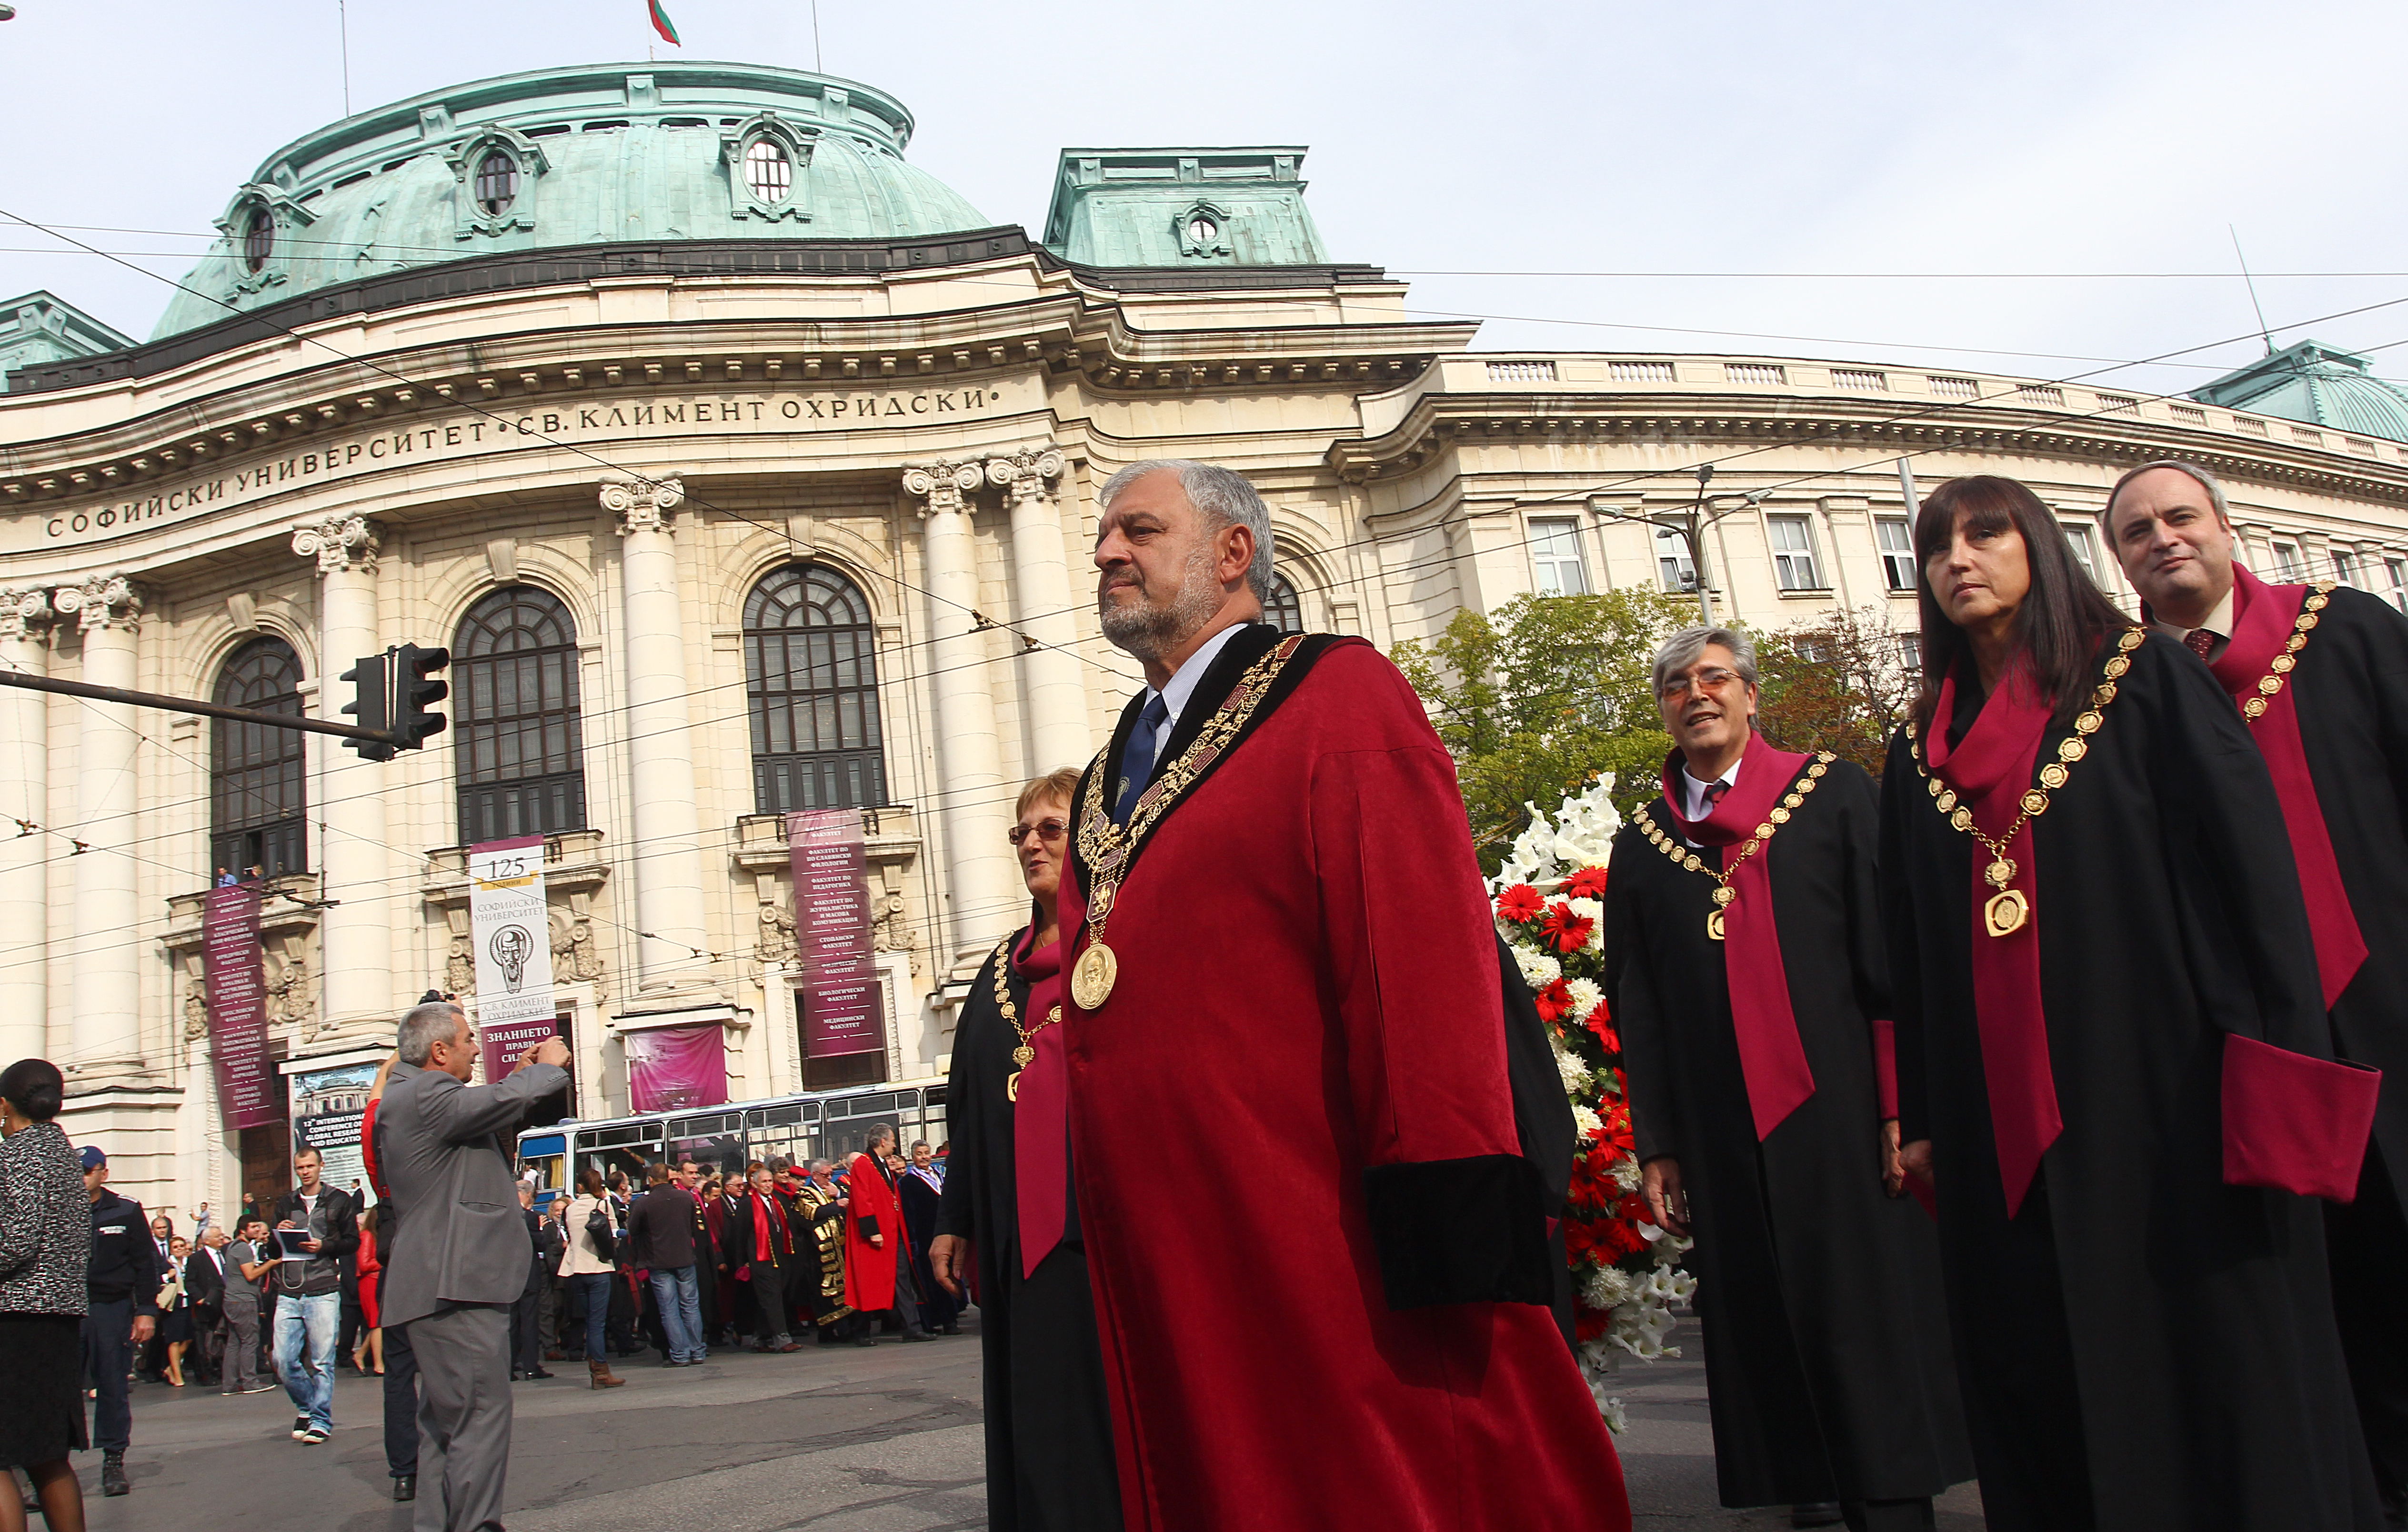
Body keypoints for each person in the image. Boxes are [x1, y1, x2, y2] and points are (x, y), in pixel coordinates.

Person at [1053, 459, 1628, 1530]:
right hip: (1172, 1237)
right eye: (1102, 536)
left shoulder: (1336, 692)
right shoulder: (1106, 772)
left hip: (1319, 1223)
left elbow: (1414, 962)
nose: (1104, 554)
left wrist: (1446, 1205)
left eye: (1137, 529)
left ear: (1233, 554)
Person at [1881, 474, 2380, 1530]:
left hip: (2171, 1088)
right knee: (2039, 1358)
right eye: (1935, 547)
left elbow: (2251, 883)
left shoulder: (2143, 677)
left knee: (2208, 1364)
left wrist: (2275, 1064)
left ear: (2042, 552)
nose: (1956, 560)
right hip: (1996, 1119)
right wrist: (1922, 1119)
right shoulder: (1910, 752)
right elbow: (1913, 953)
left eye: (1984, 535)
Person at [1605, 626, 1972, 1532]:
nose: (1697, 694)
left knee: (1867, 1311)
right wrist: (1660, 1142)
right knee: (1763, 1314)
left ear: (1751, 696)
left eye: (1716, 677)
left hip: (1844, 1113)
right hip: (1720, 1131)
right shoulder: (1643, 841)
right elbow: (1638, 1004)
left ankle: (1893, 1504)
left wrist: (1899, 1103)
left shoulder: (1831, 792)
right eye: (1678, 684)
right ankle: (1805, 1491)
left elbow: (1887, 964)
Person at [2102, 458, 2408, 1525]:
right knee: (2314, 1307)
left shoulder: (2349, 630)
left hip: (2387, 1010)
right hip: (2237, 1050)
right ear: (2116, 559)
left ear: (2227, 529)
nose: (2161, 538)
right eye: (2135, 530)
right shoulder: (2118, 694)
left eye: (2179, 516)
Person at [932, 767, 1124, 1530]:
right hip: (1017, 1241)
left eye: (1050, 827)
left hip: (1105, 1230)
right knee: (1036, 1409)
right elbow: (968, 1105)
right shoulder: (994, 972)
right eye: (1021, 833)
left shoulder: (1121, 940)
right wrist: (956, 1217)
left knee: (1106, 1409)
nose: (1031, 844)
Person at [378, 1000, 572, 1530]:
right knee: (480, 1417)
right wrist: (546, 1070)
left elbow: (479, 1110)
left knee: (447, 1427)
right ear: (439, 1051)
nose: (475, 1048)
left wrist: (515, 1076)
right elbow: (489, 1103)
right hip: (455, 1284)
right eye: (467, 1040)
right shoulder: (421, 1094)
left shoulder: (415, 1097)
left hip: (441, 1283)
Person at [0, 1059, 92, 1532]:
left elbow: (14, 1240)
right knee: (47, 1455)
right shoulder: (64, 1154)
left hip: (14, 1317)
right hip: (59, 1316)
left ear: (4, 1106)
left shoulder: (16, 1155)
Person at [78, 1146, 162, 1498]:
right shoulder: (57, 1211)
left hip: (111, 1308)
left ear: (103, 1173)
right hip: (69, 1308)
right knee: (59, 1389)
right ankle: (50, 1468)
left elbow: (146, 1264)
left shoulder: (125, 1210)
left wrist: (146, 1310)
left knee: (113, 1385)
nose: (79, 1178)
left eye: (86, 1171)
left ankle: (113, 1461)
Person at [269, 1143, 359, 1445]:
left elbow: (352, 1242)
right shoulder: (286, 1203)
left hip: (323, 1287)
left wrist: (324, 1246)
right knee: (282, 1359)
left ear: (321, 1166)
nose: (305, 1172)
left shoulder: (339, 1200)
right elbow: (272, 1251)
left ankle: (320, 1419)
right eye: (300, 1168)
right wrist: (277, 1233)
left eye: (309, 1166)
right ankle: (308, 1405)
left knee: (322, 1360)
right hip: (289, 1289)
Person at [361, 1050, 421, 1503]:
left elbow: (374, 1105)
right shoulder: (432, 1130)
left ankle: (404, 1470)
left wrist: (393, 1062)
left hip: (395, 1264)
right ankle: (450, 1460)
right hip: (434, 1259)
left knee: (399, 1373)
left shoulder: (380, 1141)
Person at [843, 1128, 933, 1345]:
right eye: (893, 1141)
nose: (895, 1145)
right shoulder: (864, 1164)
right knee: (869, 1282)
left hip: (893, 1232)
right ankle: (861, 1332)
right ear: (883, 1142)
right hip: (877, 1234)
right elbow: (862, 1198)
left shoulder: (882, 1164)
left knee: (902, 1280)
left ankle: (912, 1327)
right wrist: (872, 1231)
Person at [626, 1163, 705, 1366]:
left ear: (650, 1180)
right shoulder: (686, 1197)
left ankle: (680, 1354)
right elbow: (693, 1227)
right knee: (691, 1306)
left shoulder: (645, 1202)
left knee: (669, 1309)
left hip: (658, 1260)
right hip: (685, 1258)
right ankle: (697, 1351)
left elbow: (632, 1229)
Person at [558, 1167, 628, 1385]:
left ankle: (595, 1365)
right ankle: (600, 1371)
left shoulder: (570, 1210)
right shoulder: (604, 1205)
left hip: (576, 1270)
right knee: (598, 1323)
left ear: (580, 1186)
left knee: (589, 1320)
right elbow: (614, 1236)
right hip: (599, 1268)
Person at [726, 1162, 804, 1353]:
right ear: (755, 1184)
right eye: (764, 1182)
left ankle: (760, 1338)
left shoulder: (779, 1200)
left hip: (782, 1257)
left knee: (772, 1298)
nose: (768, 1185)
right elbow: (739, 1236)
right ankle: (783, 1339)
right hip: (760, 1260)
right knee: (771, 1297)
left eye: (770, 1181)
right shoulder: (747, 1205)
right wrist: (741, 1262)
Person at [791, 1160, 854, 1344]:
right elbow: (812, 1214)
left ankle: (844, 1328)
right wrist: (837, 1205)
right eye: (825, 1175)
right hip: (817, 1253)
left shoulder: (833, 1190)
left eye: (830, 1175)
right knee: (825, 1292)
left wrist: (839, 1196)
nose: (829, 1179)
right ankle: (827, 1330)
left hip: (839, 1248)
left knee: (843, 1289)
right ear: (815, 1175)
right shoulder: (805, 1194)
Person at [509, 1183, 559, 1381]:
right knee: (529, 1321)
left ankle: (509, 1366)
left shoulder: (505, 1216)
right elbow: (540, 1244)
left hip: (509, 1276)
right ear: (528, 1195)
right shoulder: (530, 1218)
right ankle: (531, 1366)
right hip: (528, 1275)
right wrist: (544, 1228)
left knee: (511, 1322)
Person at [221, 1219, 274, 1397]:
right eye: (253, 1227)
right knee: (250, 1341)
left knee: (235, 1342)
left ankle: (230, 1384)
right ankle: (250, 1381)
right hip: (243, 1300)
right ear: (243, 1230)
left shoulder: (233, 1247)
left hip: (233, 1299)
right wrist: (271, 1264)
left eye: (258, 1226)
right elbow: (250, 1274)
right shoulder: (243, 1248)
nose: (257, 1229)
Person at [185, 1227, 227, 1388]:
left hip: (223, 1303)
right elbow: (190, 1281)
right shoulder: (197, 1259)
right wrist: (200, 1298)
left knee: (221, 1339)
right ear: (207, 1240)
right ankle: (204, 1373)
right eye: (218, 1237)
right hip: (206, 1305)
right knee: (203, 1341)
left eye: (222, 1236)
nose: (221, 1239)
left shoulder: (224, 1255)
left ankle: (220, 1368)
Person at [155, 1238, 193, 1388]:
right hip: (173, 1305)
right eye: (175, 1247)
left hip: (187, 1304)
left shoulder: (189, 1263)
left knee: (189, 1339)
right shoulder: (166, 1264)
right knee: (174, 1340)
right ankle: (177, 1376)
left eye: (181, 1246)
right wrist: (168, 1276)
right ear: (171, 1250)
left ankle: (170, 1367)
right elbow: (156, 1280)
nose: (179, 1249)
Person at [352, 1206, 384, 1375]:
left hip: (373, 1281)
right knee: (377, 1323)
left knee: (377, 1323)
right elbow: (364, 1264)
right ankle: (378, 1364)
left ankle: (361, 1354)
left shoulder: (370, 1236)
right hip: (369, 1282)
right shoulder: (367, 1235)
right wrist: (385, 1261)